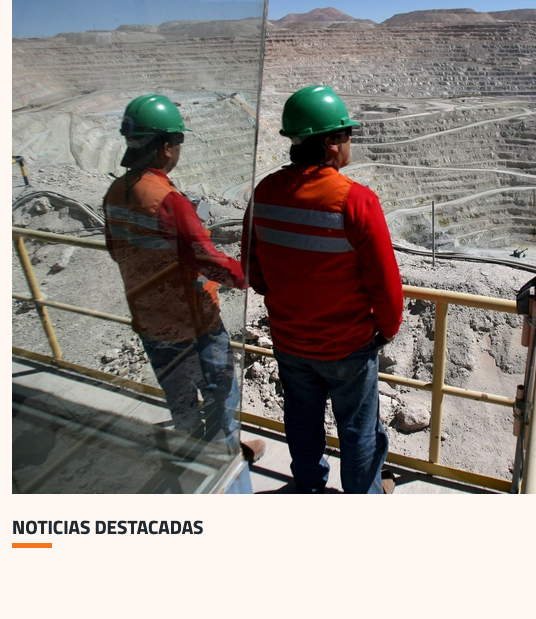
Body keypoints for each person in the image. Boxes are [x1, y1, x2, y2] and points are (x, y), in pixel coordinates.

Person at [241, 84, 403, 494]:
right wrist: (386, 329)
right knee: (358, 429)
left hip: (289, 339)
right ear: (330, 143)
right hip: (347, 345)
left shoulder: (264, 192)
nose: (350, 143)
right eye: (346, 135)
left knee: (301, 419)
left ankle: (309, 486)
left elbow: (254, 271)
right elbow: (385, 284)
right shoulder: (356, 201)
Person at [103, 94, 265, 475]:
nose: (178, 148)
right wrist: (246, 276)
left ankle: (190, 463)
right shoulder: (168, 200)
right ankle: (223, 467)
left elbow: (115, 250)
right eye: (178, 140)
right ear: (164, 147)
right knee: (221, 395)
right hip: (193, 326)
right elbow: (207, 259)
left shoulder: (114, 193)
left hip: (150, 322)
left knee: (180, 401)